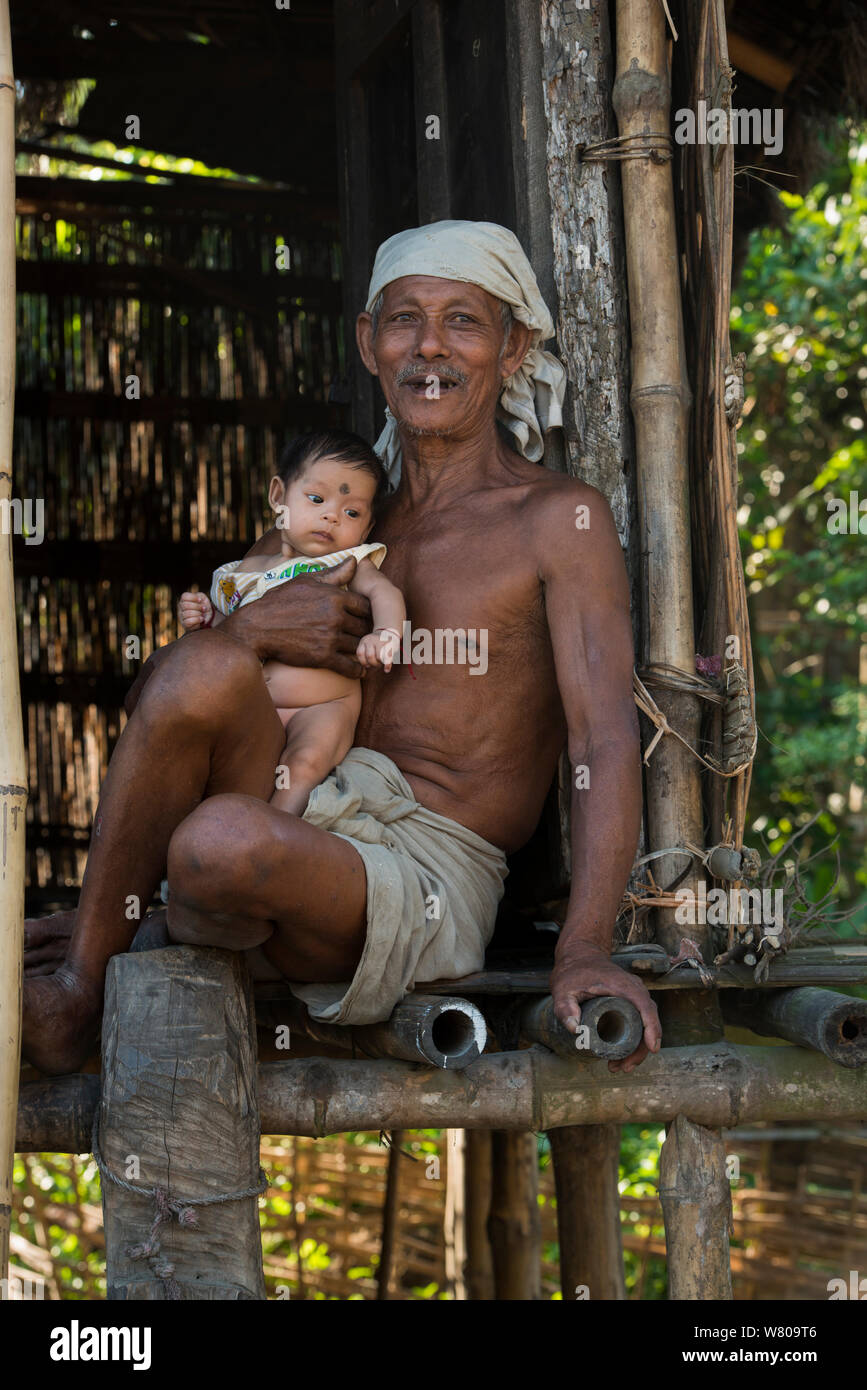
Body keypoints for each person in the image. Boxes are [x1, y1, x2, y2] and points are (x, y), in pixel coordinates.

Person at [22, 218, 661, 1076]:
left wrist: (584, 946)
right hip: (294, 804)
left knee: (216, 846)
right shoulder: (336, 521)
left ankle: (175, 915)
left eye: (463, 322)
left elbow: (604, 741)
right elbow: (162, 707)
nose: (429, 347)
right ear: (369, 342)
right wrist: (246, 632)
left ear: (512, 348)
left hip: (421, 871)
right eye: (404, 320)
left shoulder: (555, 520)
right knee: (213, 669)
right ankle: (80, 985)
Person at [177, 430, 405, 816]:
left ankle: (278, 830)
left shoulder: (348, 562)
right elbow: (226, 636)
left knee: (303, 764)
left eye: (352, 512)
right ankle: (230, 831)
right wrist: (203, 616)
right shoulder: (240, 574)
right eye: (316, 499)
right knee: (220, 769)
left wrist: (385, 634)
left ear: (366, 530)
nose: (332, 516)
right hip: (254, 708)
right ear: (280, 497)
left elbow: (387, 594)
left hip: (322, 706)